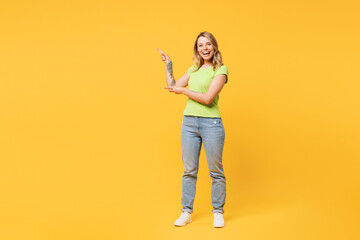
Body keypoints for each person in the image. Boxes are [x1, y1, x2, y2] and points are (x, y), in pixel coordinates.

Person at [157, 31, 228, 228]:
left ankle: (218, 212)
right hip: (189, 123)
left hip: (211, 124)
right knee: (189, 170)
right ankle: (186, 212)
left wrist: (185, 91)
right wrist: (168, 65)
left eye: (207, 44)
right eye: (200, 45)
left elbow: (208, 99)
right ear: (197, 49)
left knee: (216, 171)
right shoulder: (194, 68)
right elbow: (173, 86)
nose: (204, 48)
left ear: (214, 46)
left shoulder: (221, 70)